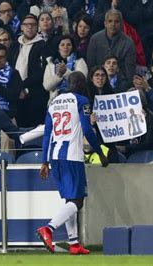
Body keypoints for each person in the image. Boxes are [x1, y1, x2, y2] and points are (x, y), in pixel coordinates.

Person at [36, 71, 108, 255]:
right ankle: (49, 229)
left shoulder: (53, 102)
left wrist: (44, 161)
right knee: (78, 200)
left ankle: (74, 243)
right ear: (83, 85)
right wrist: (100, 152)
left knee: (69, 198)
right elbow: (87, 129)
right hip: (71, 156)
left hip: (55, 155)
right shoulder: (82, 100)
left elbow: (46, 134)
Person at [10, 13, 49, 127]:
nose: (30, 27)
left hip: (35, 95)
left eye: (33, 25)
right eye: (26, 25)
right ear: (21, 27)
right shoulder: (15, 45)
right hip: (16, 93)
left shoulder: (43, 45)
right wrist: (17, 88)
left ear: (37, 27)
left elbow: (42, 71)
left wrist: (23, 86)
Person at [87, 9, 136, 81]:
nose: (113, 24)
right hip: (97, 81)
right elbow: (91, 66)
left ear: (121, 24)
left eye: (116, 21)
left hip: (120, 83)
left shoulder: (129, 43)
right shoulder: (94, 39)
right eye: (110, 21)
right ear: (105, 23)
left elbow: (129, 72)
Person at [43, 34, 88, 103]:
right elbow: (47, 86)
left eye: (68, 45)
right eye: (62, 45)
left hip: (76, 99)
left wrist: (66, 72)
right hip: (56, 100)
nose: (65, 47)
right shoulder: (51, 63)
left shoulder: (79, 60)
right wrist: (59, 75)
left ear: (72, 47)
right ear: (58, 48)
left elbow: (81, 81)